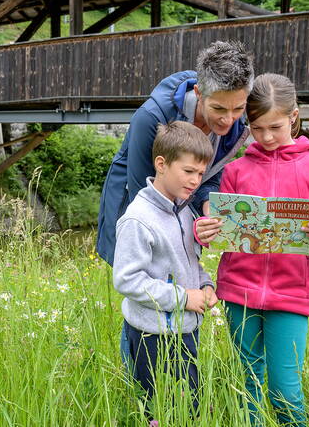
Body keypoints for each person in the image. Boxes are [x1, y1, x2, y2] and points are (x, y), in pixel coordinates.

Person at [196, 73, 309, 426]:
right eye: (256, 128)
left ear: (294, 116)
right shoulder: (235, 170)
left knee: (285, 389)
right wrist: (205, 231)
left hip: (291, 295)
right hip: (238, 294)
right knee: (246, 386)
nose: (265, 138)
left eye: (274, 127)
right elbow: (220, 231)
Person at [96, 40, 255, 266]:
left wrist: (208, 205)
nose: (228, 119)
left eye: (238, 109)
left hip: (181, 211)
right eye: (218, 108)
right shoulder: (151, 118)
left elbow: (209, 179)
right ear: (199, 93)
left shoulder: (235, 127)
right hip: (135, 209)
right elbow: (143, 191)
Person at [113, 121, 219, 421]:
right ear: (161, 164)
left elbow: (190, 263)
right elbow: (127, 280)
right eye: (188, 171)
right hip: (152, 336)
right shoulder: (138, 219)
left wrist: (206, 285)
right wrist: (184, 297)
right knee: (158, 412)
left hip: (185, 330)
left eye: (200, 173)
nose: (196, 181)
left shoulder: (184, 211)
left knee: (189, 408)